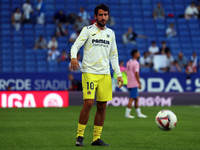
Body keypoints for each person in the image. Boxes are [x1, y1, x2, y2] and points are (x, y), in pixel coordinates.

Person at [70, 4, 123, 146]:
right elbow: (75, 46)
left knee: (102, 106)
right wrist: (74, 57)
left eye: (105, 14)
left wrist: (118, 74)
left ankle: (96, 138)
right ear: (95, 16)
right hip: (89, 72)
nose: (103, 17)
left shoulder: (111, 33)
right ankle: (80, 136)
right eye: (101, 15)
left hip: (105, 74)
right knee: (88, 103)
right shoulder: (87, 30)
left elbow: (114, 55)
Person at [125, 49, 147, 119]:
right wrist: (139, 83)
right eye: (138, 53)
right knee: (131, 99)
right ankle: (127, 114)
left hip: (129, 82)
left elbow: (126, 72)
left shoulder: (128, 62)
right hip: (134, 83)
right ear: (135, 54)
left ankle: (139, 113)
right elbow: (136, 73)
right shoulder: (136, 63)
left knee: (136, 98)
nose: (139, 54)